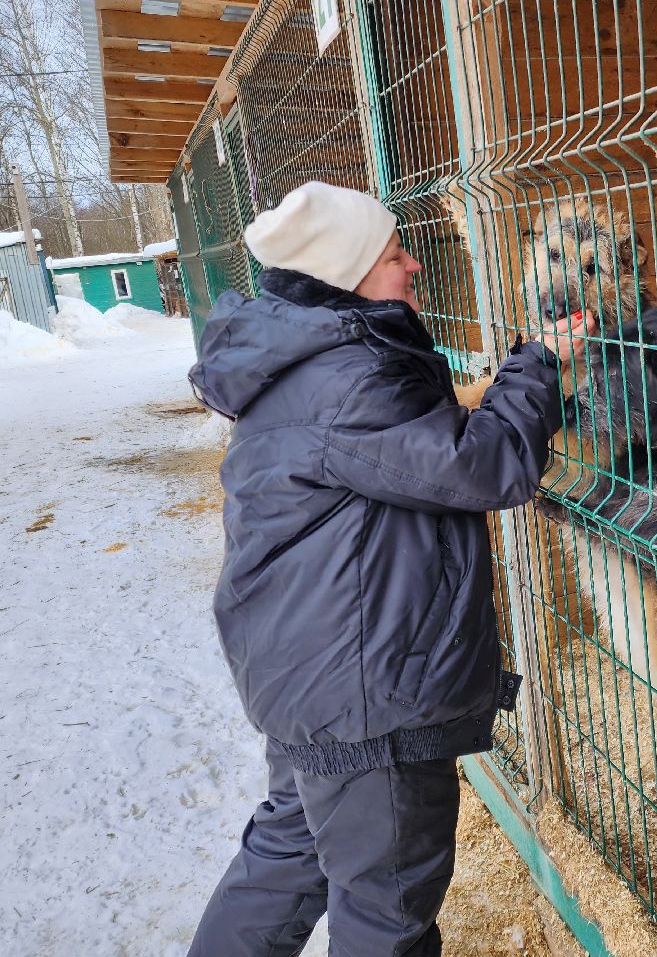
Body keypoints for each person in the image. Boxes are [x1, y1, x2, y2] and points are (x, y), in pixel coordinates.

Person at [185, 181, 588, 957]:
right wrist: (536, 363)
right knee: (386, 912)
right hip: (369, 697)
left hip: (306, 677)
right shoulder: (350, 379)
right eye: (395, 253)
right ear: (351, 273)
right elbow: (486, 466)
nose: (413, 266)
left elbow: (413, 443)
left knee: (288, 860)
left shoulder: (304, 364)